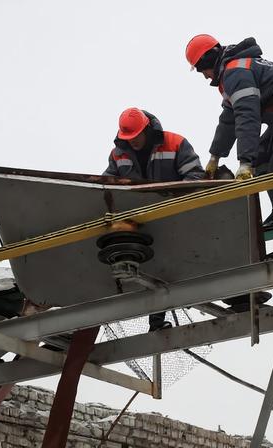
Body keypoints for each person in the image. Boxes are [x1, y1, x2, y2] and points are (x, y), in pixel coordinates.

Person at [185, 34, 273, 258]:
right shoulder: (232, 72)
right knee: (262, 157)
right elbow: (229, 120)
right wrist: (215, 157)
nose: (204, 76)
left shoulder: (234, 72)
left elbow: (247, 117)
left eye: (202, 70)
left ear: (207, 61)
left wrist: (244, 163)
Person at [103, 107, 205, 330]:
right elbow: (107, 187)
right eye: (128, 137)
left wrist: (172, 199)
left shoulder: (175, 143)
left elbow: (195, 177)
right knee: (152, 267)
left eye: (136, 136)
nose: (133, 141)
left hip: (174, 217)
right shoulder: (118, 154)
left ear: (147, 129)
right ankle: (156, 323)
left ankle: (237, 296)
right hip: (140, 225)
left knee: (172, 266)